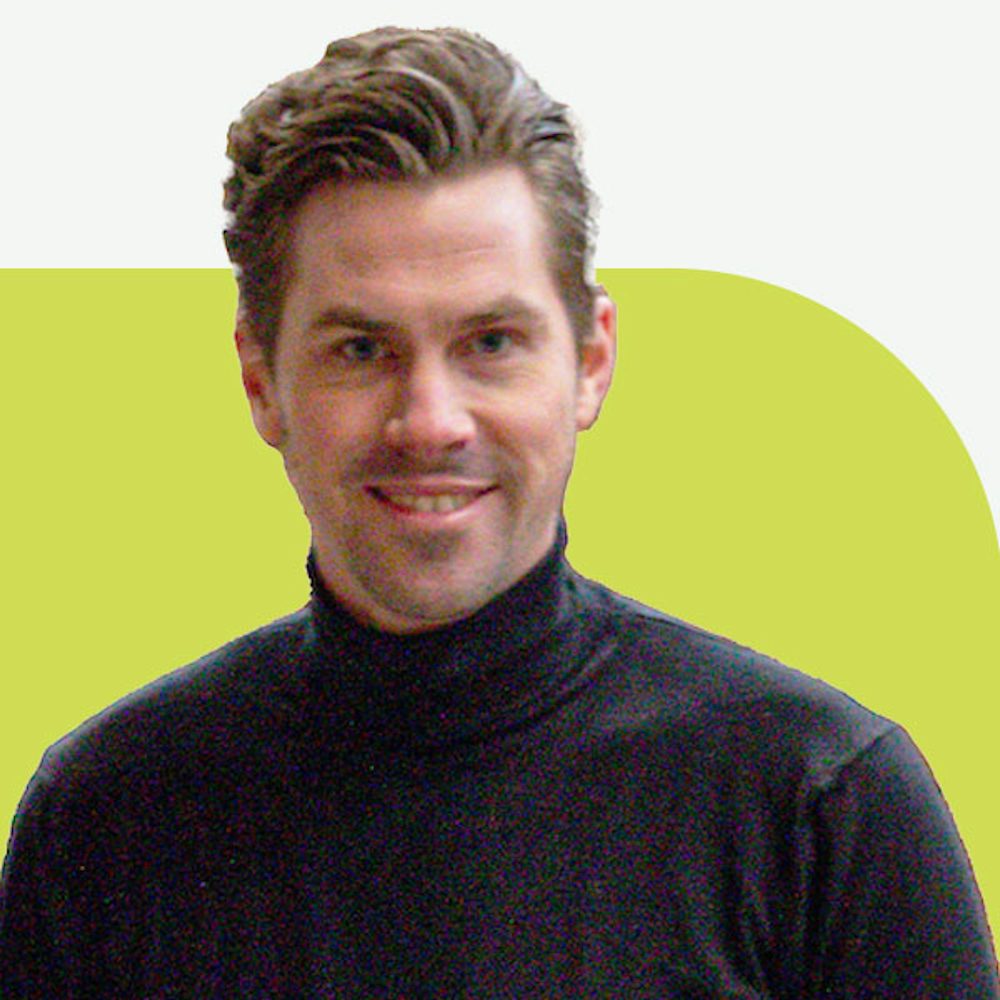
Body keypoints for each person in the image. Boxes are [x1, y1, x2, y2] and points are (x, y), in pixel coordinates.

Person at [1, 26, 997, 998]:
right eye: (360, 350)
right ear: (261, 381)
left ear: (590, 361)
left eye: (490, 342)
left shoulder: (821, 807)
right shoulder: (105, 820)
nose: (430, 422)